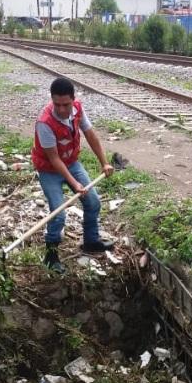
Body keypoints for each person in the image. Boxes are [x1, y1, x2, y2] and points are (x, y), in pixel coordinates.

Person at [32, 77, 114, 274]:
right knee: (58, 214)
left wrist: (104, 162)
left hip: (71, 162)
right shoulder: (44, 123)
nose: (61, 109)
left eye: (65, 104)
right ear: (52, 100)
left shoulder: (77, 109)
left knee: (93, 202)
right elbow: (53, 159)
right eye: (57, 104)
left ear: (73, 99)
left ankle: (91, 241)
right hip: (49, 169)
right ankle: (51, 256)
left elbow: (90, 135)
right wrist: (75, 183)